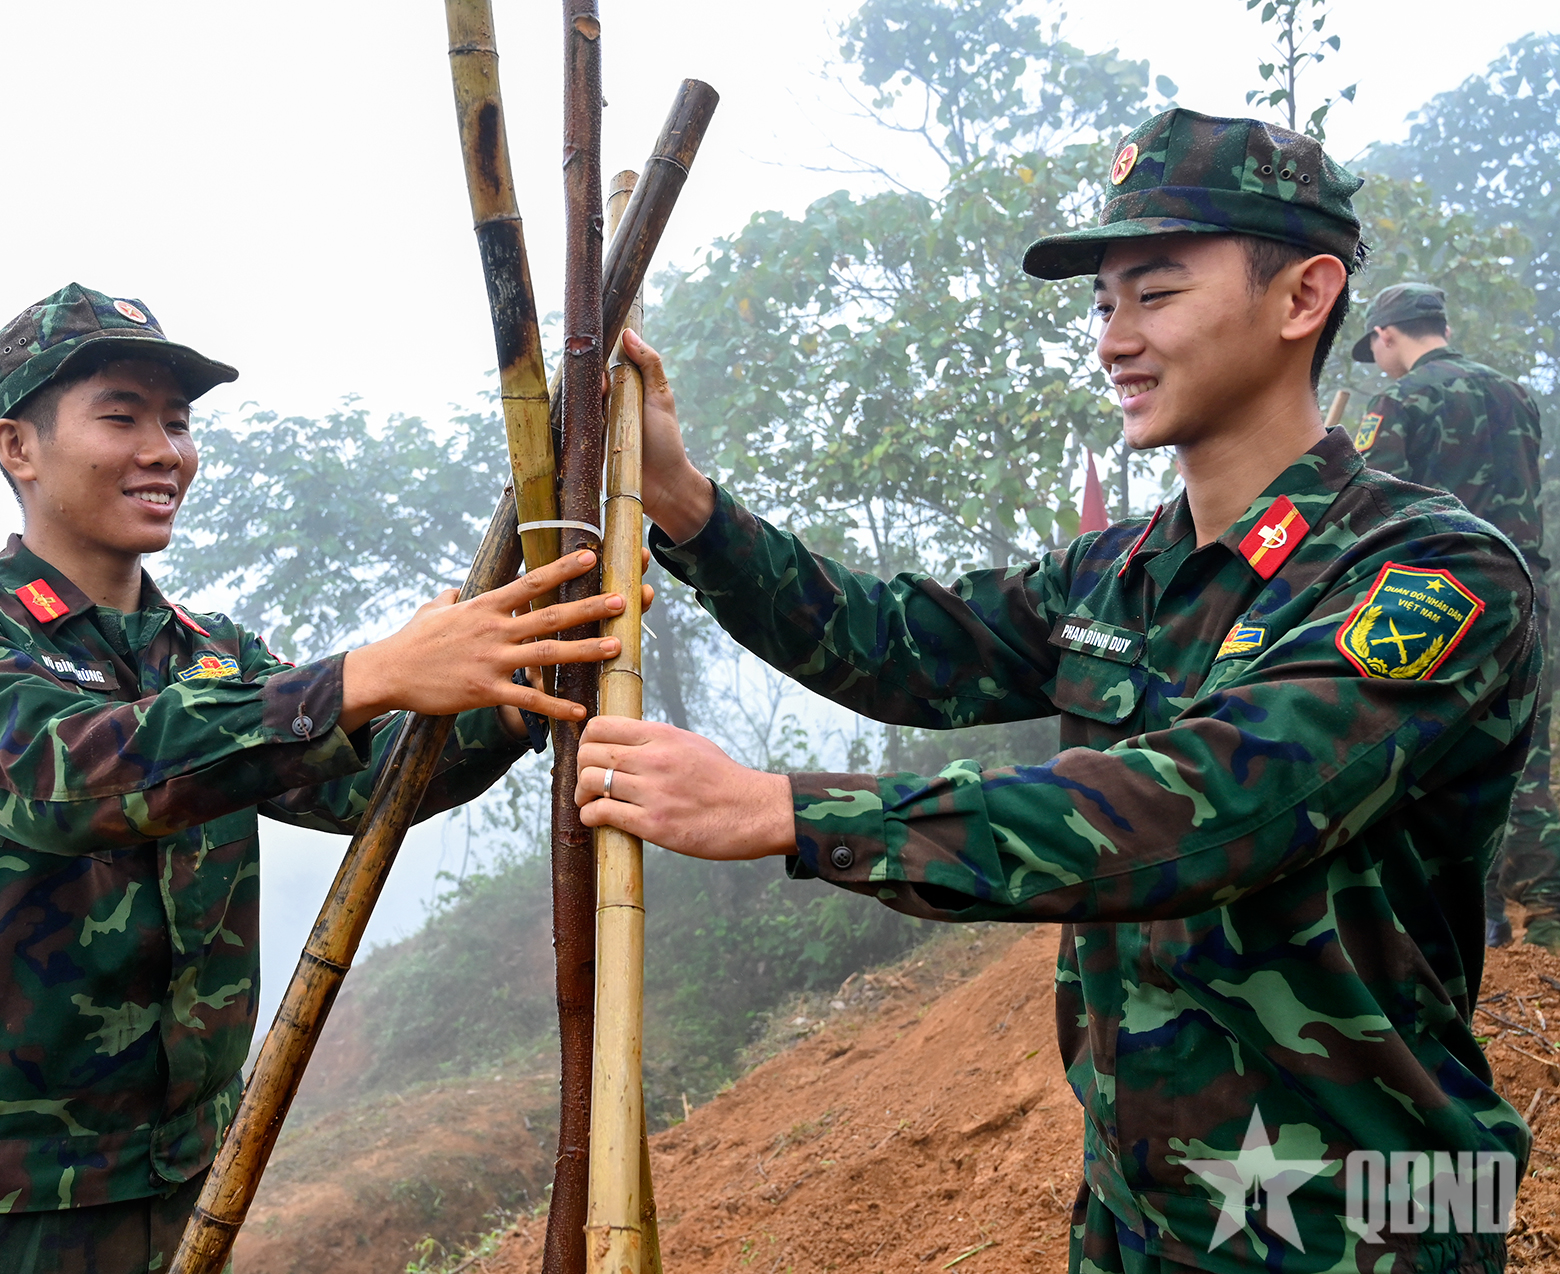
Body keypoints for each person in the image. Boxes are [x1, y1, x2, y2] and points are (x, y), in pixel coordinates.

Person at [581, 112, 1539, 1272]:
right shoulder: (1115, 574)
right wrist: (685, 500)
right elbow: (892, 643)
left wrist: (788, 811)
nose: (1114, 341)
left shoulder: (1434, 573)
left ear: (1302, 298)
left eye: (1157, 293)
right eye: (1103, 305)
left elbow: (1207, 804)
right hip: (1145, 1209)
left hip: (1359, 1225)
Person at [0, 283, 640, 1272]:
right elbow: (60, 778)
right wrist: (371, 672)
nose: (164, 450)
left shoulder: (211, 655)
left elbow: (362, 787)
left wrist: (511, 700)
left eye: (177, 423)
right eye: (122, 415)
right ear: (19, 446)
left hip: (184, 1190)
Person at [1350, 282, 1555, 952]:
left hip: (1445, 600)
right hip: (1527, 590)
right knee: (1527, 753)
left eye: (1374, 347)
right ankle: (1549, 920)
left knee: (1443, 759)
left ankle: (1476, 922)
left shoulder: (1403, 399)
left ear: (1387, 335)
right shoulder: (1516, 395)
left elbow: (1372, 511)